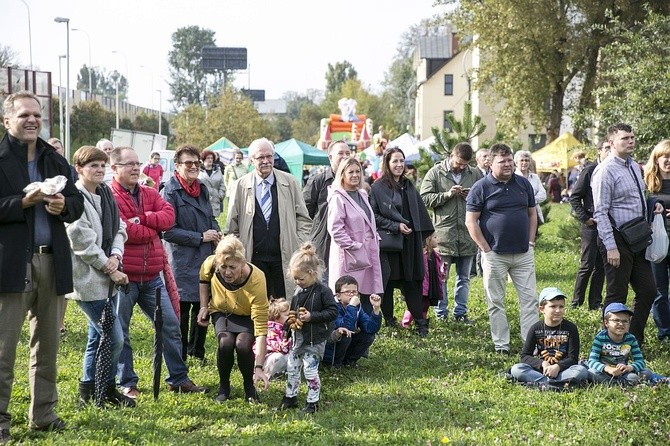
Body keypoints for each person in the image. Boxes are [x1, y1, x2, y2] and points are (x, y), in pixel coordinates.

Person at [0, 91, 84, 439]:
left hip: (52, 260)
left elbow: (78, 204)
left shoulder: (55, 159)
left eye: (36, 115)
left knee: (47, 346)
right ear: (7, 121)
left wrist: (63, 205)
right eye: (24, 116)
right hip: (10, 264)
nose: (32, 120)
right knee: (3, 351)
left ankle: (44, 414)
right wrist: (24, 202)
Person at [110, 146, 207, 398]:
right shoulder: (110, 197)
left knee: (171, 325)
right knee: (121, 331)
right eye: (128, 164)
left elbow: (168, 217)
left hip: (152, 276)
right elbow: (124, 232)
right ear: (114, 168)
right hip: (124, 277)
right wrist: (150, 226)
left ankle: (178, 378)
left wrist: (142, 220)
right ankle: (127, 383)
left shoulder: (150, 192)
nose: (135, 168)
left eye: (137, 163)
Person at [65, 145, 134, 408]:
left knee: (97, 337)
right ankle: (103, 389)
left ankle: (92, 391)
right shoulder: (75, 197)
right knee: (113, 337)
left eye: (102, 165)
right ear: (79, 169)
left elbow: (120, 226)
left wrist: (116, 254)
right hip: (87, 280)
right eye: (93, 165)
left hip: (109, 278)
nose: (99, 170)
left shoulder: (105, 193)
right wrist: (111, 267)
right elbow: (81, 241)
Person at [591, 123, 661, 346]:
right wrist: (611, 246)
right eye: (625, 138)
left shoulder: (633, 166)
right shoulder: (605, 170)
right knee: (616, 295)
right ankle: (607, 344)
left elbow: (636, 200)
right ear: (611, 143)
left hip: (637, 238)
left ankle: (633, 339)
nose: (630, 141)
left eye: (632, 137)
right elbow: (600, 212)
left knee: (649, 290)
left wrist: (653, 207)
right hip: (617, 239)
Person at [465, 143, 538, 355]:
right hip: (495, 254)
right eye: (502, 161)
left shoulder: (523, 184)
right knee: (495, 301)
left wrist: (531, 242)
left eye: (509, 160)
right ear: (491, 163)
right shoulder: (481, 187)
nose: (507, 164)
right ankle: (501, 345)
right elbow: (471, 222)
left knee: (530, 300)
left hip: (523, 253)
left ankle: (530, 345)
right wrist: (485, 249)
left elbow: (532, 214)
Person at [225, 137, 312, 300]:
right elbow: (232, 225)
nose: (266, 161)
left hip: (283, 257)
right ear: (251, 160)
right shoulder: (240, 186)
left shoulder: (290, 182)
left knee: (284, 306)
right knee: (256, 305)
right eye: (260, 157)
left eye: (269, 156)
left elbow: (304, 219)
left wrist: (298, 243)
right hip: (253, 258)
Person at [162, 145, 221, 364]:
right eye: (189, 163)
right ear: (177, 166)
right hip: (181, 259)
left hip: (205, 257)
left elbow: (210, 217)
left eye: (197, 163)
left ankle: (197, 351)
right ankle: (180, 353)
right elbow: (167, 231)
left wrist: (216, 231)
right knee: (182, 308)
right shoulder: (169, 191)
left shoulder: (202, 188)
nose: (194, 167)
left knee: (203, 304)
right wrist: (200, 237)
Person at [369, 147, 434, 335]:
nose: (399, 165)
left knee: (412, 280)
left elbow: (419, 211)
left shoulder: (408, 184)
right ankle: (389, 320)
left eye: (401, 161)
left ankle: (420, 322)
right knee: (387, 282)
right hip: (390, 243)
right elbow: (374, 215)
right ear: (387, 164)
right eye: (395, 161)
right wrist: (395, 226)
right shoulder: (378, 187)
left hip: (409, 242)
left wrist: (425, 235)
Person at [197, 235, 270, 403]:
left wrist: (259, 367)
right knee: (226, 343)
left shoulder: (257, 279)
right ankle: (224, 388)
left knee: (243, 345)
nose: (227, 272)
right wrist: (203, 306)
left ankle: (249, 388)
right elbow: (203, 279)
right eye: (223, 267)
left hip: (246, 316)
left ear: (242, 264)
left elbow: (260, 330)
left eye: (232, 267)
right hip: (222, 311)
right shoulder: (211, 263)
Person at [420, 142, 482, 324]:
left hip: (467, 234)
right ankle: (441, 313)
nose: (462, 167)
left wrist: (470, 196)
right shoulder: (435, 173)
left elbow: (484, 197)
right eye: (459, 163)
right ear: (451, 155)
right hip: (443, 235)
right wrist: (446, 195)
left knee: (464, 278)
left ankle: (460, 313)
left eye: (465, 164)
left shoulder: (475, 174)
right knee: (442, 277)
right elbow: (424, 199)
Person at [276, 242, 338, 414]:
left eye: (301, 279)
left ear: (312, 274)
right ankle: (290, 397)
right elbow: (293, 314)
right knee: (292, 368)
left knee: (310, 371)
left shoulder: (323, 291)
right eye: (295, 279)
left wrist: (313, 317)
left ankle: (313, 402)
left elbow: (333, 312)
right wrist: (287, 329)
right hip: (298, 338)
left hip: (315, 338)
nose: (298, 282)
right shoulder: (298, 291)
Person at [327, 157, 383, 314]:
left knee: (364, 293)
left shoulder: (362, 194)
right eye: (350, 172)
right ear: (342, 174)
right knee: (347, 296)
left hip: (366, 253)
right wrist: (354, 246)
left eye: (358, 171)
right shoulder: (337, 197)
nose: (355, 175)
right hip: (349, 256)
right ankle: (346, 332)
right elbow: (335, 229)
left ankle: (364, 330)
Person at [509, 287, 589, 389]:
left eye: (561, 307)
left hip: (563, 370)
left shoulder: (570, 328)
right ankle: (557, 384)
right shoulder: (535, 328)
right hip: (542, 371)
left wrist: (557, 367)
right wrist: (542, 364)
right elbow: (525, 356)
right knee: (517, 369)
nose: (558, 310)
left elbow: (573, 358)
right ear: (542, 309)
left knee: (581, 371)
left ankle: (543, 384)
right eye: (553, 306)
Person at [568, 140, 609, 310]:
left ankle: (595, 303)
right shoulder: (590, 169)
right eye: (607, 148)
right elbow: (575, 196)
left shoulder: (611, 170)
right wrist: (585, 218)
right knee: (587, 264)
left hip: (606, 224)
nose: (609, 151)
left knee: (601, 266)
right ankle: (576, 302)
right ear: (599, 151)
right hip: (591, 224)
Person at [303, 139, 351, 274]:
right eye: (340, 153)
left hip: (348, 244)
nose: (345, 156)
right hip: (323, 244)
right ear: (330, 157)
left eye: (348, 153)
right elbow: (305, 212)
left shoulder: (355, 181)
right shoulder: (318, 181)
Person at [48, 136, 77, 336]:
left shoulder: (69, 170)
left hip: (68, 225)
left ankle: (59, 322)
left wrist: (66, 204)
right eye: (51, 148)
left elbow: (76, 198)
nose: (54, 151)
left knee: (63, 283)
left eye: (58, 148)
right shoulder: (44, 169)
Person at [642, 139, 670, 342]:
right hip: (656, 243)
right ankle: (664, 332)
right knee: (659, 290)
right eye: (665, 156)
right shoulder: (647, 182)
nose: (669, 160)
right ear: (657, 159)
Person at [587, 303, 653, 386]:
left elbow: (640, 361)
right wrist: (607, 369)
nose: (621, 324)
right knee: (591, 372)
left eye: (625, 321)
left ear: (629, 323)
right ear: (606, 323)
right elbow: (592, 361)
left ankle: (615, 382)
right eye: (616, 320)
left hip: (623, 372)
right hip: (605, 372)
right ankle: (623, 383)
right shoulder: (600, 338)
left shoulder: (631, 339)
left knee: (647, 372)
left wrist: (629, 367)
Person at [323, 276, 382, 368]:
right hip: (331, 348)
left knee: (368, 336)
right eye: (347, 292)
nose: (351, 295)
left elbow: (370, 329)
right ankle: (335, 364)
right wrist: (352, 306)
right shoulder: (333, 308)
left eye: (354, 292)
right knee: (346, 334)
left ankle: (349, 362)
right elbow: (345, 327)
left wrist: (376, 309)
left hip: (346, 342)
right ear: (338, 296)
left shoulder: (357, 307)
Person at [401, 233, 444, 328]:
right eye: (435, 237)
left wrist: (442, 272)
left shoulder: (435, 255)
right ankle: (406, 323)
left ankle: (422, 322)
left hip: (431, 287)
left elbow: (437, 270)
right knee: (415, 305)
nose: (437, 239)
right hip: (422, 287)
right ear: (428, 240)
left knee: (425, 305)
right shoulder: (421, 255)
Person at [254, 298, 291, 379]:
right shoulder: (272, 329)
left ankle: (279, 372)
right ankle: (266, 375)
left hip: (271, 359)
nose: (289, 318)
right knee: (278, 357)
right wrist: (288, 342)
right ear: (276, 317)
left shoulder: (283, 328)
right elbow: (280, 347)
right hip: (265, 360)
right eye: (287, 315)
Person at [514, 150, 547, 225]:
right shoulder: (513, 178)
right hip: (518, 214)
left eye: (527, 160)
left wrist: (531, 200)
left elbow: (543, 194)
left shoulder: (535, 177)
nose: (524, 163)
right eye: (521, 160)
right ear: (516, 163)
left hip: (534, 214)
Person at [198, 149, 226, 218]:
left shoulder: (218, 171)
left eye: (211, 158)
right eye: (208, 158)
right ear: (203, 159)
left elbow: (222, 185)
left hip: (215, 202)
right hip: (202, 201)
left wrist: (220, 195)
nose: (210, 160)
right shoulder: (199, 171)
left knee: (213, 223)